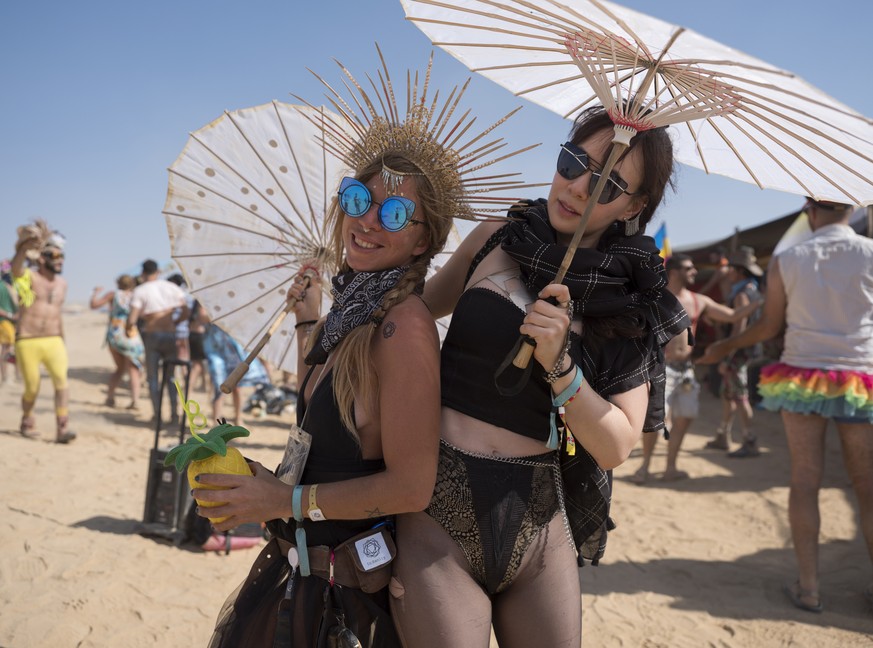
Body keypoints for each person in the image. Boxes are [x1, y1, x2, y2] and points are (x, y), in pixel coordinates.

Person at [196, 53, 524, 648]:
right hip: (303, 579)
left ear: (425, 238)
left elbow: (411, 485)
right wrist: (306, 320)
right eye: (357, 200)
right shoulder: (351, 314)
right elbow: (324, 429)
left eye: (396, 211)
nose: (368, 220)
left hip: (352, 608)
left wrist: (286, 497)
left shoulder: (406, 327)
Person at [384, 105, 690, 647]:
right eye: (572, 162)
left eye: (608, 183)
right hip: (438, 504)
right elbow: (416, 311)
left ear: (635, 205)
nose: (577, 187)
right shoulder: (499, 236)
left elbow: (618, 443)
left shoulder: (629, 302)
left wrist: (561, 367)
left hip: (540, 516)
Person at [698, 198, 873, 614]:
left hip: (802, 376)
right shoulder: (870, 252)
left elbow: (769, 325)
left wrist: (724, 344)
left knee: (805, 481)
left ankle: (809, 587)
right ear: (851, 208)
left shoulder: (788, 257)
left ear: (810, 209)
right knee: (867, 487)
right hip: (859, 379)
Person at [630, 253, 761, 484]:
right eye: (689, 268)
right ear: (674, 271)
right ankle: (645, 468)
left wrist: (761, 302)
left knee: (684, 419)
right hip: (661, 368)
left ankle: (670, 468)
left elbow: (731, 316)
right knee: (655, 422)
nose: (695, 272)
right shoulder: (654, 298)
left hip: (686, 370)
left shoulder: (699, 300)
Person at [11, 224, 75, 443]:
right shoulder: (29, 277)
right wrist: (24, 247)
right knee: (32, 387)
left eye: (61, 256)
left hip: (54, 339)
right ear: (41, 258)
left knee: (61, 383)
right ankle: (27, 418)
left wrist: (63, 339)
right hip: (27, 339)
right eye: (54, 255)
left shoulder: (63, 284)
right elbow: (16, 269)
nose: (59, 260)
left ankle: (62, 428)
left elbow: (57, 314)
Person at [709, 246, 763, 457]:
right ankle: (724, 434)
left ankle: (749, 440)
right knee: (728, 394)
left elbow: (739, 328)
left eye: (731, 269)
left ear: (739, 270)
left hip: (739, 351)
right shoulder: (751, 289)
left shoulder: (742, 294)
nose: (728, 272)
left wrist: (728, 355)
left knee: (740, 396)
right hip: (744, 349)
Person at [126, 259, 188, 423]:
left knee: (152, 378)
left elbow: (132, 319)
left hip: (152, 335)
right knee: (171, 377)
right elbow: (185, 311)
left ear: (143, 273)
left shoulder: (140, 290)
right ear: (158, 272)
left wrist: (143, 320)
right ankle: (175, 414)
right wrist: (173, 321)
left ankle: (157, 414)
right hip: (170, 335)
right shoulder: (171, 288)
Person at [89, 274, 145, 409]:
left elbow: (94, 305)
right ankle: (135, 401)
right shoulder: (135, 296)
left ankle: (110, 397)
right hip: (131, 334)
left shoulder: (113, 295)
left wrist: (95, 293)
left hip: (115, 334)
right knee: (133, 369)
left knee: (119, 369)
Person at [0, 263, 19, 385]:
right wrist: (11, 316)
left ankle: (11, 377)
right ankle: (6, 378)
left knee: (9, 350)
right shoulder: (6, 287)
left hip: (9, 323)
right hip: (5, 322)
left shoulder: (11, 287)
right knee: (7, 350)